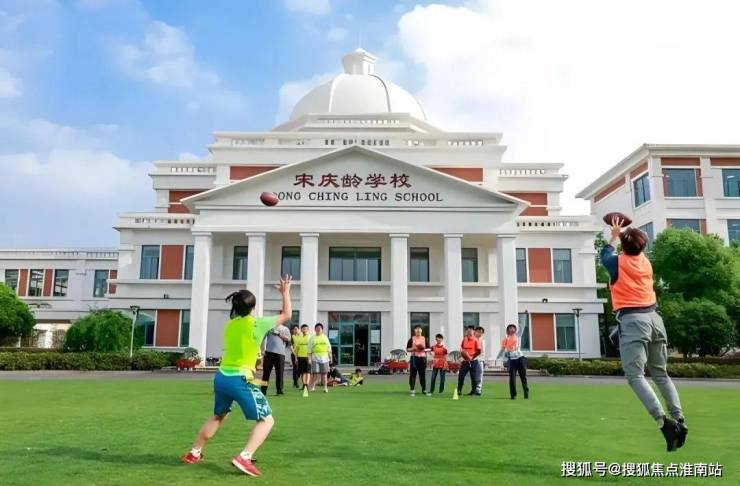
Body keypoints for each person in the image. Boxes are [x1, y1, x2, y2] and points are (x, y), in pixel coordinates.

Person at [181, 275, 293, 477]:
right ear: (252, 307)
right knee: (267, 420)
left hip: (222, 377)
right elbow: (287, 314)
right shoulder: (257, 324)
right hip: (240, 379)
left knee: (219, 415)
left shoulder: (230, 325)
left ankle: (194, 452)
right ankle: (245, 457)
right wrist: (285, 292)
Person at [602, 216, 688, 451]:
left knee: (635, 376)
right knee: (661, 374)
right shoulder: (646, 262)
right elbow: (630, 247)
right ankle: (680, 419)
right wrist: (623, 235)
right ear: (642, 246)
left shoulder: (616, 263)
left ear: (624, 245)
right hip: (655, 319)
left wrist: (614, 234)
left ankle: (664, 423)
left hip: (633, 321)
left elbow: (605, 253)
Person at [260, 312, 291, 396]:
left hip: (280, 354)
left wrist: (278, 334)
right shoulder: (270, 328)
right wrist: (262, 350)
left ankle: (279, 390)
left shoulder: (285, 329)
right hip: (269, 353)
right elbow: (263, 338)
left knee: (279, 373)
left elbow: (288, 339)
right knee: (266, 373)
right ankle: (263, 391)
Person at [496, 323, 529, 399]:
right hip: (512, 360)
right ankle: (513, 395)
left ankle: (526, 392)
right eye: (510, 328)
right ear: (507, 330)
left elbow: (522, 327)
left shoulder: (517, 335)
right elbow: (502, 348)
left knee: (523, 377)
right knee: (512, 378)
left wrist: (522, 320)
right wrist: (498, 356)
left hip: (520, 359)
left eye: (513, 328)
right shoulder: (505, 339)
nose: (511, 329)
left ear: (515, 330)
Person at [406, 325, 430, 396]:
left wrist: (423, 349)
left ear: (421, 331)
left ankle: (424, 390)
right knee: (413, 374)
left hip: (422, 358)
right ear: (414, 331)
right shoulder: (411, 339)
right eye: (416, 329)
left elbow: (429, 349)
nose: (418, 330)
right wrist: (413, 349)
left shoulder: (425, 339)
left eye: (419, 329)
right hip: (414, 358)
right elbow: (407, 349)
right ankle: (412, 389)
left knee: (422, 375)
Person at [308, 323, 332, 393]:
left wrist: (331, 358)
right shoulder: (312, 338)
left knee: (324, 374)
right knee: (315, 374)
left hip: (325, 358)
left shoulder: (325, 337)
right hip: (315, 358)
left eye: (320, 328)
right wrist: (309, 359)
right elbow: (309, 350)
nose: (318, 329)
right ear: (315, 329)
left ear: (322, 329)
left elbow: (329, 348)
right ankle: (313, 387)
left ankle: (325, 387)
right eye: (317, 328)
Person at [457, 326, 481, 396]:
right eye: (468, 330)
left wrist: (472, 357)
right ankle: (459, 390)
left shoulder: (476, 340)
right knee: (461, 376)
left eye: (471, 330)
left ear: (474, 331)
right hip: (465, 361)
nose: (469, 331)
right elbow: (462, 348)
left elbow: (479, 351)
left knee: (474, 378)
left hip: (473, 361)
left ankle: (473, 391)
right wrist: (462, 355)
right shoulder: (464, 339)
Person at [293, 324, 311, 391]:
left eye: (305, 328)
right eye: (303, 328)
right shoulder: (299, 337)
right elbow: (297, 349)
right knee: (301, 372)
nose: (304, 330)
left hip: (307, 357)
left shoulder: (310, 337)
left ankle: (307, 385)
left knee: (307, 372)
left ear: (308, 329)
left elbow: (312, 348)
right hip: (300, 357)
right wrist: (296, 358)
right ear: (301, 329)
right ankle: (304, 385)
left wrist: (310, 357)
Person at [474, 326, 486, 394]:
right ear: (475, 332)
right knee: (473, 375)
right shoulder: (472, 340)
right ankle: (473, 389)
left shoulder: (482, 341)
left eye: (481, 332)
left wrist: (482, 359)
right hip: (472, 359)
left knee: (480, 374)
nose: (479, 333)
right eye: (478, 332)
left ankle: (478, 389)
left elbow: (483, 352)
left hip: (480, 360)